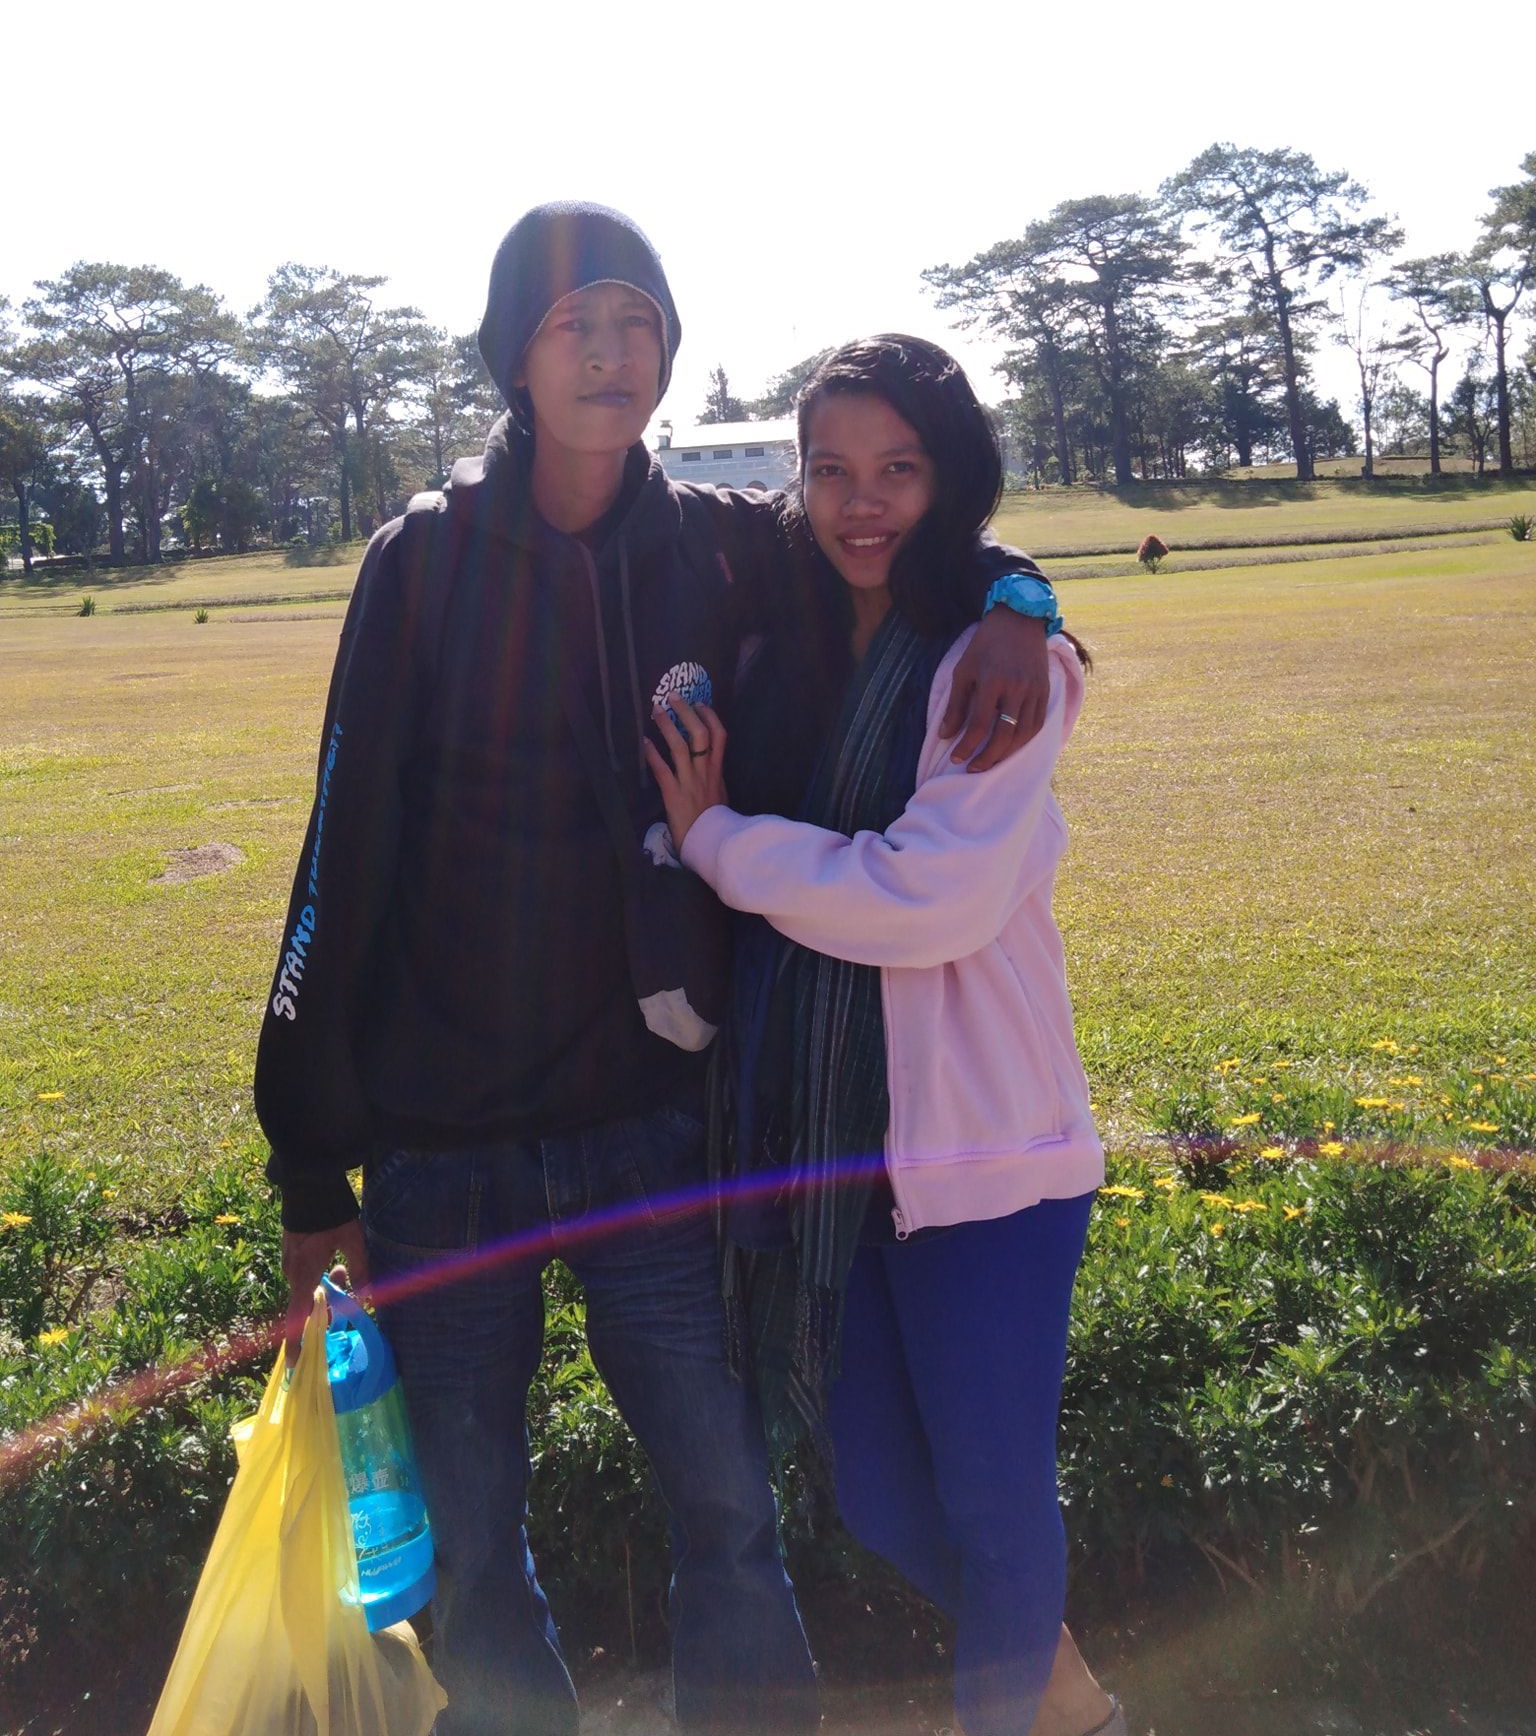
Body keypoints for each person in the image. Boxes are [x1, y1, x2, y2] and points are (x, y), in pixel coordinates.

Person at [253, 207, 1065, 1736]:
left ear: (669, 352)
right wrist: (315, 1170)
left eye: (636, 321)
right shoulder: (419, 564)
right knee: (472, 1556)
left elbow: (888, 526)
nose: (610, 352)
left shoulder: (717, 541)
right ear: (515, 352)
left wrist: (1020, 593)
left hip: (651, 1133)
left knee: (731, 1517)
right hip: (444, 1155)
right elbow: (335, 860)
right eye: (574, 324)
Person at [645, 335, 1124, 1736]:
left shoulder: (1001, 665)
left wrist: (719, 842)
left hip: (985, 1146)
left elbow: (931, 901)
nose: (864, 504)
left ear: (950, 474)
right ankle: (1064, 1692)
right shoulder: (783, 633)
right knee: (877, 1495)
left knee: (988, 1494)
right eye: (833, 471)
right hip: (830, 1144)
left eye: (900, 470)